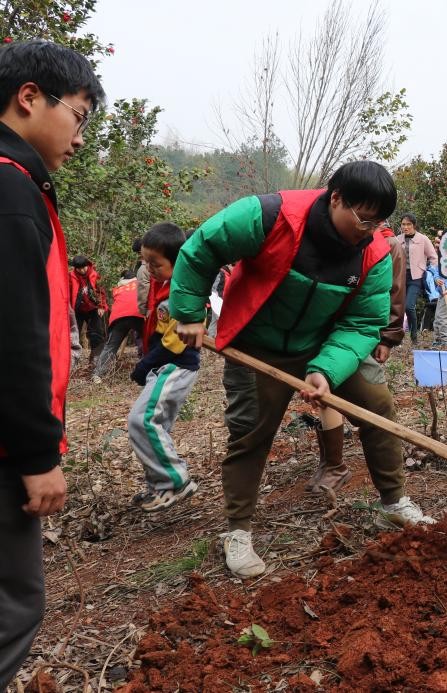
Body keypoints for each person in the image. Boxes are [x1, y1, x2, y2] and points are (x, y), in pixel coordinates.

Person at [169, 161, 432, 579]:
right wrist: (187, 311)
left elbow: (363, 323)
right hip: (257, 343)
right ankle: (238, 531)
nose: (369, 229)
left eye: (378, 221)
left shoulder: (376, 252)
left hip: (326, 343)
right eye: (363, 218)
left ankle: (394, 503)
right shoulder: (270, 216)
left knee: (378, 407)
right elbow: (202, 248)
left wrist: (326, 369)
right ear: (336, 198)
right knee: (251, 432)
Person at [0, 39, 103, 689]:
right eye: (80, 114)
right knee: (16, 605)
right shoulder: (11, 192)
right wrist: (38, 453)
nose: (81, 136)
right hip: (7, 445)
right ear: (29, 97)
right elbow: (15, 334)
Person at [305, 222, 407, 498]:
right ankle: (333, 463)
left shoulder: (388, 245)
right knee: (324, 395)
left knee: (376, 403)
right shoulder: (326, 235)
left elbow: (395, 292)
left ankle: (393, 497)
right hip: (319, 333)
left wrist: (387, 337)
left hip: (361, 334)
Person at [127, 223, 200, 511]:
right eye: (146, 262)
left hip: (176, 365)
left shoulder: (182, 293)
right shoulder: (161, 287)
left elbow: (174, 343)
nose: (150, 269)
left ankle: (176, 481)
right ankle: (160, 486)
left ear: (176, 260)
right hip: (163, 365)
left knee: (142, 420)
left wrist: (144, 365)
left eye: (155, 264)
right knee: (156, 426)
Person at [91, 269, 145, 382]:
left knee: (111, 346)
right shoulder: (142, 283)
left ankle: (98, 374)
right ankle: (151, 370)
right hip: (138, 314)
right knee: (149, 342)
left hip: (119, 317)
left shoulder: (117, 289)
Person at [397, 212, 437, 342]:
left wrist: (431, 272)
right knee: (399, 307)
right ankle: (397, 336)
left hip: (416, 277)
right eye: (403, 224)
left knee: (409, 306)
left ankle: (414, 335)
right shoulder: (398, 239)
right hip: (400, 276)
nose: (406, 227)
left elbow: (433, 257)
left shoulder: (423, 239)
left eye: (408, 224)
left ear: (414, 225)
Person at [69, 254, 108, 364]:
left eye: (84, 267)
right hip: (77, 309)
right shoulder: (70, 276)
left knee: (96, 333)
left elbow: (101, 291)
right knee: (73, 334)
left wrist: (101, 306)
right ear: (75, 268)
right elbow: (67, 292)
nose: (82, 270)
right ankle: (72, 359)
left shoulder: (94, 274)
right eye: (79, 268)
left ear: (87, 265)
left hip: (93, 308)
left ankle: (96, 358)